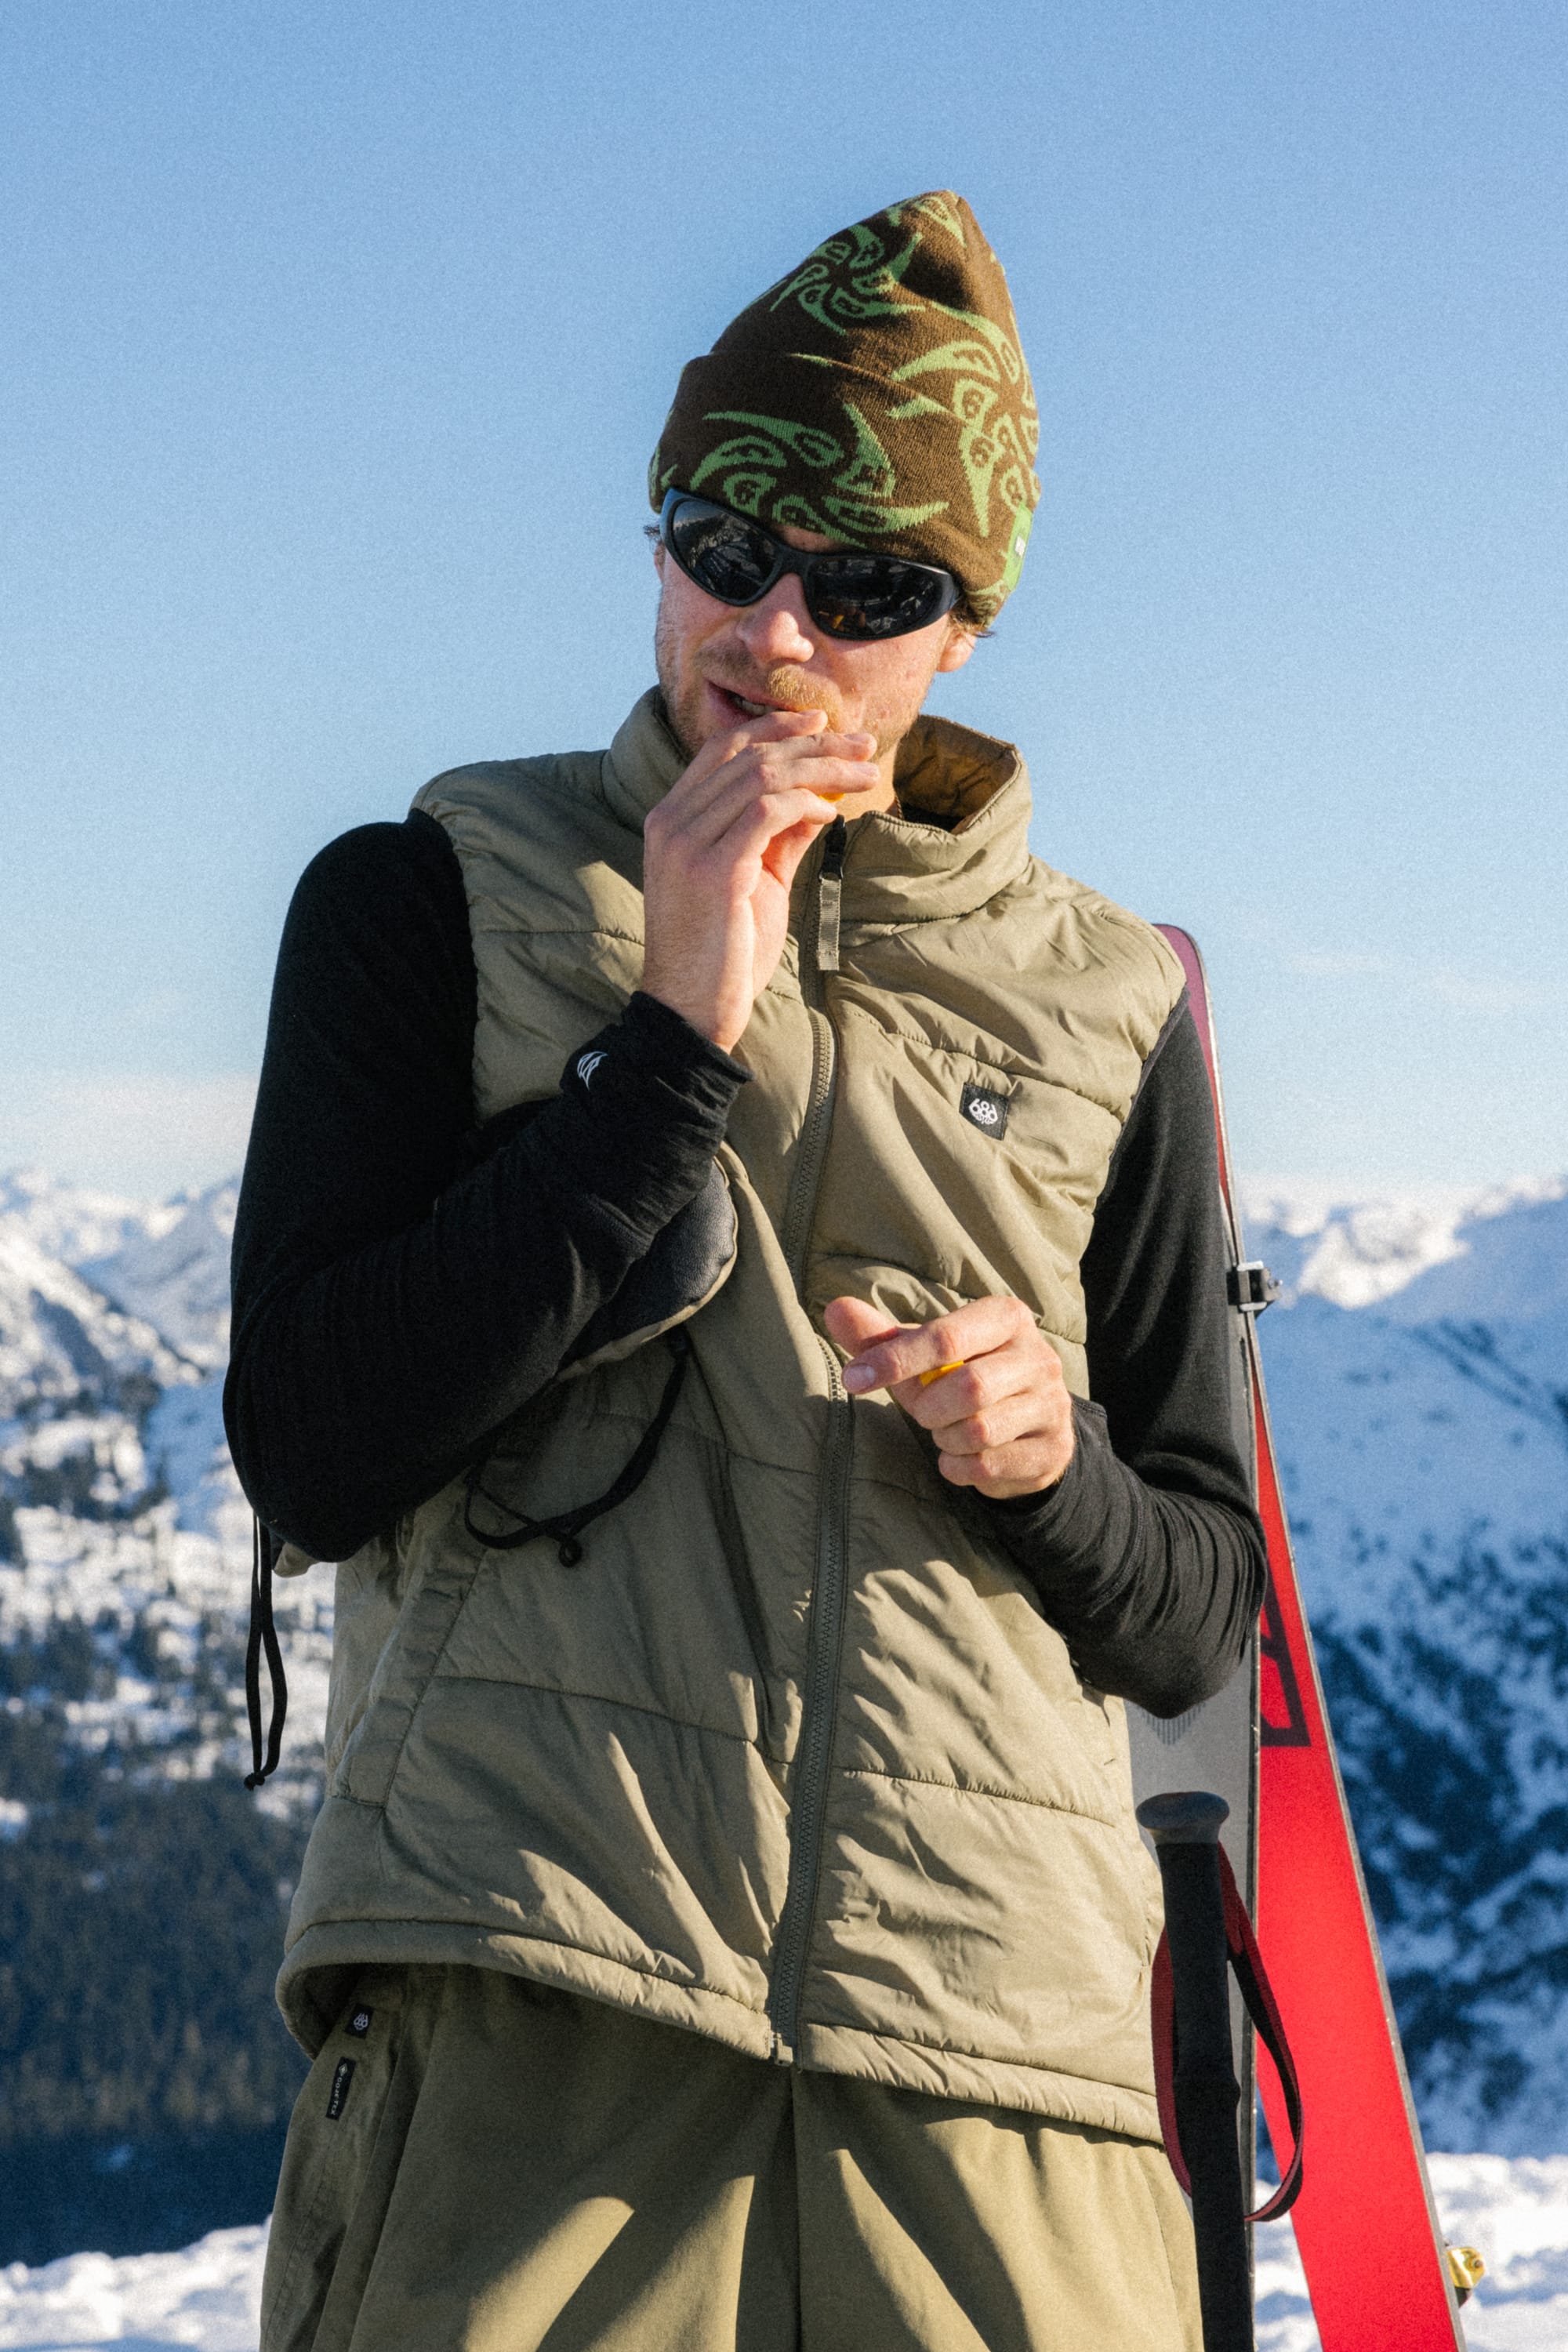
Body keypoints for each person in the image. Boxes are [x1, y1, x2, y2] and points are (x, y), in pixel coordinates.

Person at [227, 190, 1265, 2352]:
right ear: (660, 534)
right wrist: (668, 1056)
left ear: (964, 625)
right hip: (541, 2025)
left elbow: (1198, 1608)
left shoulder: (1109, 1004)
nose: (775, 633)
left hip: (1005, 2085)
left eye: (867, 583)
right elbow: (313, 1443)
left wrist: (1050, 1463)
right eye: (725, 543)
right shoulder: (434, 898)